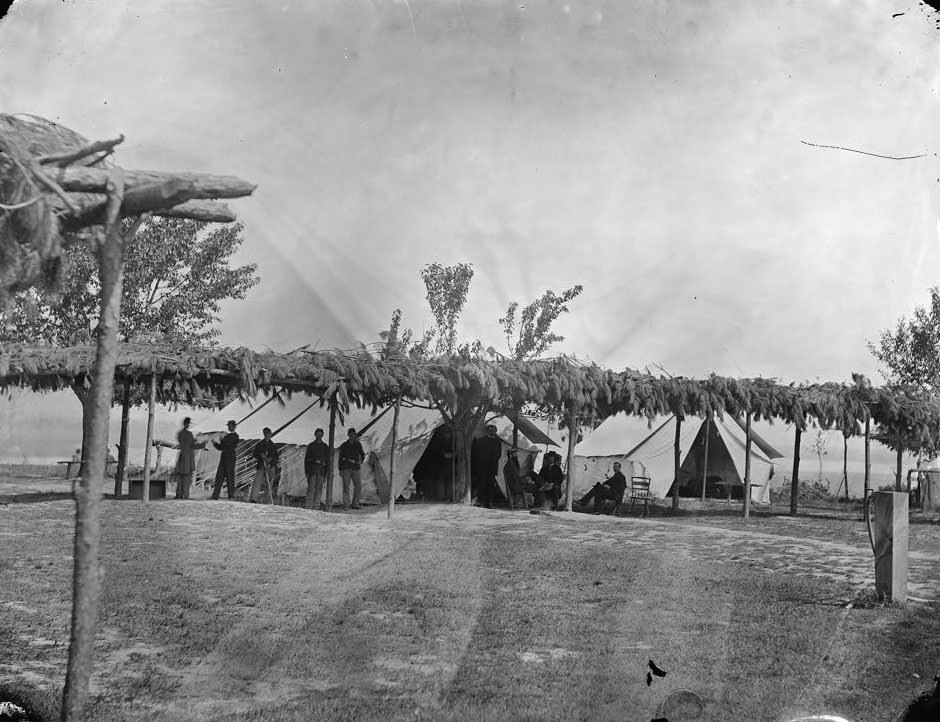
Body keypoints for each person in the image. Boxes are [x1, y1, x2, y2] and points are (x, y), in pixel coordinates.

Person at [471, 424, 503, 508]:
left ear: (496, 432)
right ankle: (481, 501)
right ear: (487, 431)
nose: (492, 432)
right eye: (490, 430)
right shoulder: (481, 440)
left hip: (492, 467)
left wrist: (494, 462)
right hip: (482, 467)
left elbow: (499, 454)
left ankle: (488, 503)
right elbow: (476, 453)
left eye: (493, 431)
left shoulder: (497, 441)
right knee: (482, 484)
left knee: (490, 485)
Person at [174, 417, 206, 499]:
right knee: (187, 477)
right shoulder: (189, 434)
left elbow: (184, 443)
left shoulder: (180, 433)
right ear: (187, 424)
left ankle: (179, 494)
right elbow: (192, 445)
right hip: (188, 457)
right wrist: (202, 444)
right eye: (188, 423)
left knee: (180, 476)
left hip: (182, 456)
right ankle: (185, 495)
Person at [211, 420, 239, 500]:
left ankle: (231, 496)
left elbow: (229, 446)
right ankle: (215, 495)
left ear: (234, 426)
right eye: (228, 426)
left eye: (230, 426)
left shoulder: (235, 436)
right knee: (219, 477)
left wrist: (222, 440)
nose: (229, 427)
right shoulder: (226, 436)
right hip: (224, 458)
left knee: (230, 478)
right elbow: (221, 447)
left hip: (230, 458)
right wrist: (215, 443)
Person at [250, 427, 280, 503]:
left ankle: (267, 499)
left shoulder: (273, 445)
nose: (267, 435)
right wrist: (261, 455)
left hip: (271, 466)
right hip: (261, 465)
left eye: (268, 433)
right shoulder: (260, 444)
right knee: (257, 482)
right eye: (266, 433)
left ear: (270, 434)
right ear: (264, 434)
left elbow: (276, 457)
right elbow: (255, 454)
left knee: (269, 483)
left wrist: (270, 461)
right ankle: (254, 498)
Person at [338, 428, 365, 509]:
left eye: (353, 434)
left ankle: (355, 504)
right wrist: (340, 469)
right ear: (348, 435)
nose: (351, 436)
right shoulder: (344, 445)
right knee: (346, 487)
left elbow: (362, 454)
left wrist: (361, 461)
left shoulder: (358, 444)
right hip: (346, 468)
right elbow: (340, 458)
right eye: (350, 434)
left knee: (358, 486)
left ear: (355, 435)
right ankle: (346, 505)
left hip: (356, 468)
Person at [304, 427, 329, 510]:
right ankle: (308, 505)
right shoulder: (311, 446)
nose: (319, 436)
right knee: (311, 488)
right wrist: (307, 471)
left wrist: (326, 472)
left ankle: (316, 506)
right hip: (312, 470)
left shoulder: (325, 446)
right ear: (315, 434)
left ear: (322, 435)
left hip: (321, 470)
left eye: (320, 434)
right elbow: (307, 460)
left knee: (319, 489)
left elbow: (327, 460)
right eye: (317, 434)